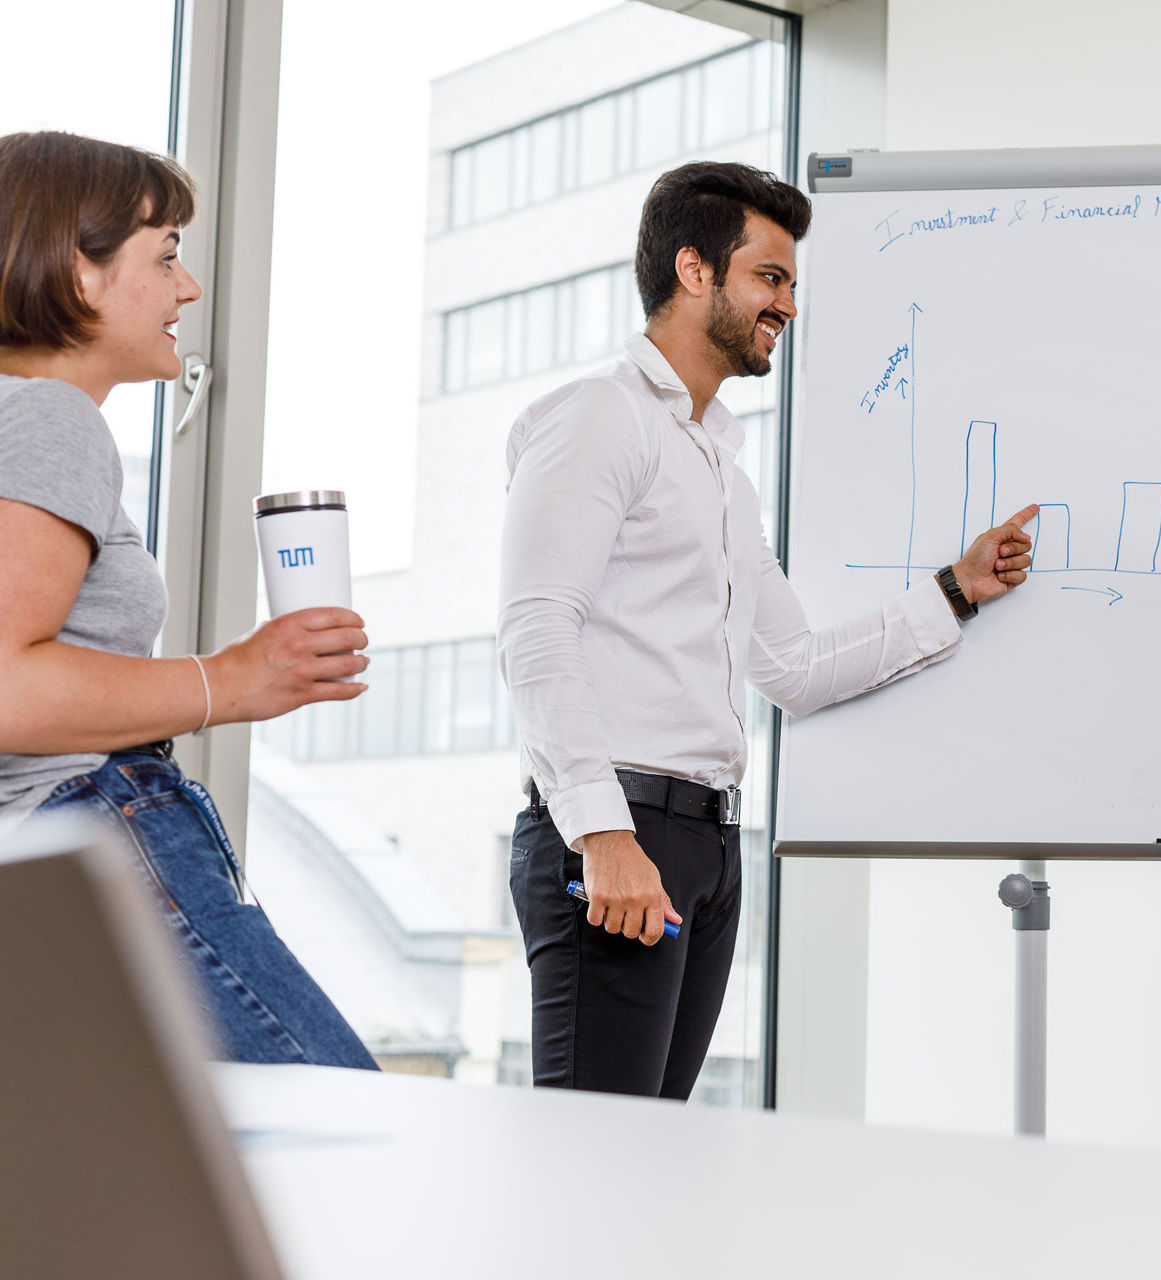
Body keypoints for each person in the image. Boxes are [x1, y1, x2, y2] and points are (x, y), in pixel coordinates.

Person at [499, 160, 1038, 1098]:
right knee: (591, 1174)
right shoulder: (600, 419)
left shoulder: (720, 468)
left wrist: (953, 589)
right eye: (770, 277)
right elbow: (537, 628)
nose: (786, 303)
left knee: (652, 1158)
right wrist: (600, 834)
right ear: (695, 270)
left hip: (704, 847)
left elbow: (791, 665)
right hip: (618, 838)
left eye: (790, 283)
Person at [0, 131, 377, 1070]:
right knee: (350, 1132)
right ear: (78, 275)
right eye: (165, 257)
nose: (189, 288)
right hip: (86, 823)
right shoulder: (49, 419)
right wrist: (236, 680)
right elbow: (6, 684)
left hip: (43, 862)